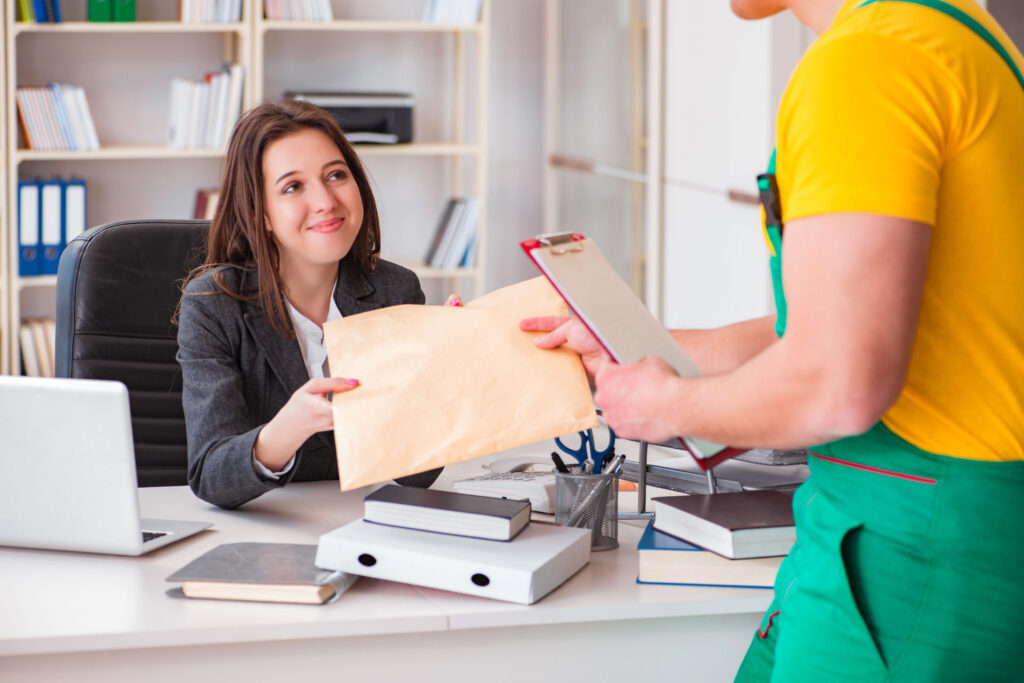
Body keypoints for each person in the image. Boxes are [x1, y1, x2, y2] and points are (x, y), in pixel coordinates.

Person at [523, 0, 1024, 680]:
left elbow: (838, 380)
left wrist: (668, 406)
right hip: (895, 530)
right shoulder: (954, 34)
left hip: (913, 552)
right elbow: (832, 325)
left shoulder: (865, 63)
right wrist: (636, 349)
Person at [178, 100, 449, 510]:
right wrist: (287, 430)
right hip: (264, 535)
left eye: (336, 175)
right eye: (293, 186)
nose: (325, 201)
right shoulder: (213, 305)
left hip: (367, 527)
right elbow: (210, 475)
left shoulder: (396, 290)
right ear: (260, 214)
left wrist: (441, 378)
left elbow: (418, 474)